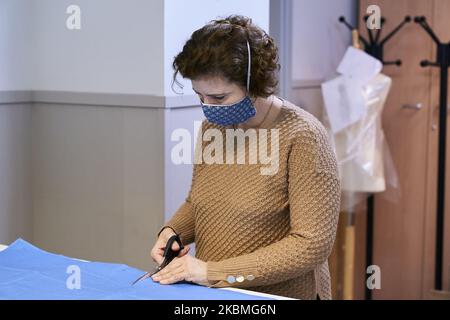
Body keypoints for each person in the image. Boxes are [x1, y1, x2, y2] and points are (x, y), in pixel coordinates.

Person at [150, 14, 341, 300]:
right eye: (199, 96)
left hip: (278, 296)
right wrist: (171, 231)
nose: (207, 108)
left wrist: (212, 272)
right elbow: (201, 200)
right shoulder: (212, 128)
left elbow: (310, 245)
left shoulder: (303, 137)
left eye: (218, 98)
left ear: (255, 84)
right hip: (217, 294)